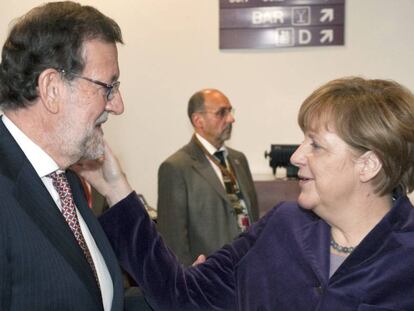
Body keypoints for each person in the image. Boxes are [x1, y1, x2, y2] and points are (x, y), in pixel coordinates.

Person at [81, 77, 414, 310]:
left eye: (315, 145)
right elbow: (181, 295)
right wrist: (115, 186)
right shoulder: (281, 226)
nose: (297, 157)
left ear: (368, 165)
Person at [0, 2, 127, 310]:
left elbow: (95, 298)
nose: (118, 105)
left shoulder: (64, 177)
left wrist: (181, 292)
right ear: (52, 88)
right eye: (107, 87)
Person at [157, 89, 259, 266]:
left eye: (230, 111)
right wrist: (189, 282)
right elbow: (173, 241)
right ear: (198, 121)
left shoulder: (239, 159)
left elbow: (253, 217)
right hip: (208, 278)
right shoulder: (176, 167)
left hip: (247, 269)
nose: (231, 119)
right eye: (221, 113)